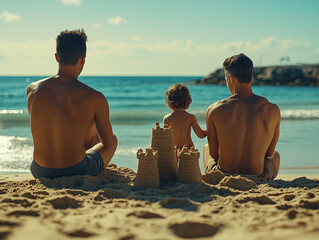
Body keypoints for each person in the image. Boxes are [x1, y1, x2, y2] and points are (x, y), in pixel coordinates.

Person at [26, 29, 117, 178]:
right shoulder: (95, 97)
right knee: (112, 139)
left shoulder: (32, 90)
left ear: (57, 57)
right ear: (83, 59)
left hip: (39, 170)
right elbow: (107, 142)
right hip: (76, 170)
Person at [203, 53, 280, 180]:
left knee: (206, 148)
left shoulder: (214, 109)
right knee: (276, 155)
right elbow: (269, 153)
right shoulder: (273, 109)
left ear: (231, 78)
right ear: (251, 77)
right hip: (257, 176)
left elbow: (214, 155)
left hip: (223, 175)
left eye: (226, 78)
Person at [163, 84, 207, 151]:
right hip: (188, 149)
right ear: (188, 101)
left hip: (173, 149)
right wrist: (210, 130)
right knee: (189, 161)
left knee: (174, 162)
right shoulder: (191, 117)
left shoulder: (167, 118)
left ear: (169, 102)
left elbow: (165, 138)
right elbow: (200, 135)